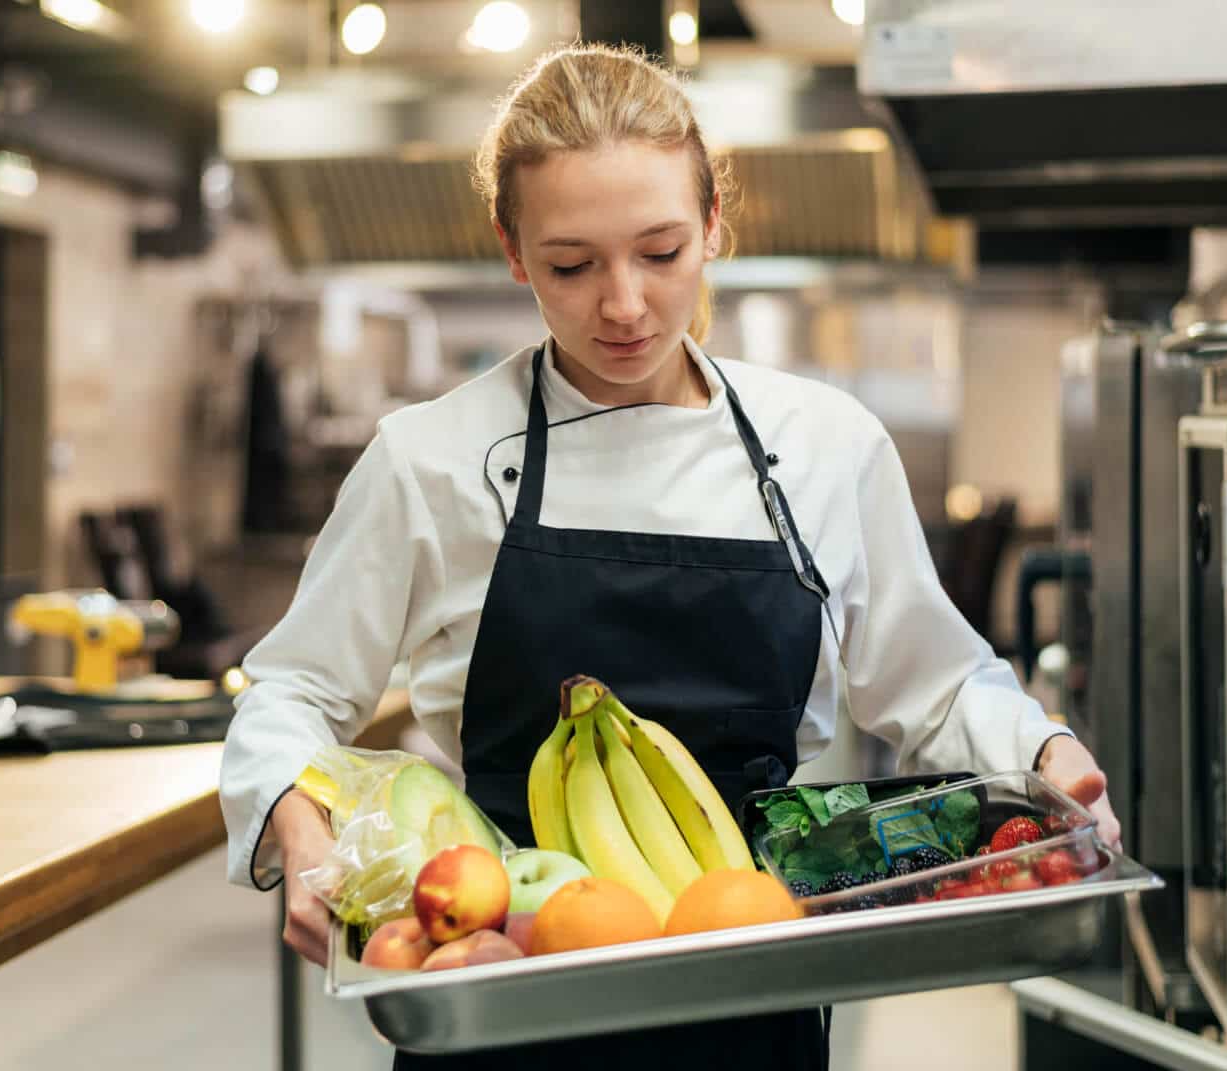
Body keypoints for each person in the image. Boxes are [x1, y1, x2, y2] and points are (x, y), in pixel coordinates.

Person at [219, 42, 1122, 1071]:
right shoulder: (430, 460)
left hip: (757, 973)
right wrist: (291, 818)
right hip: (504, 972)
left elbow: (935, 681)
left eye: (661, 252)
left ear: (716, 227)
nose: (624, 305)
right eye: (570, 264)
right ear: (513, 253)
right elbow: (292, 687)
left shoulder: (825, 446)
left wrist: (1042, 755)